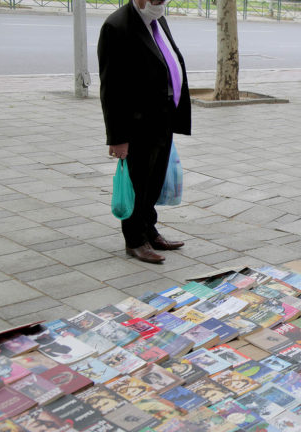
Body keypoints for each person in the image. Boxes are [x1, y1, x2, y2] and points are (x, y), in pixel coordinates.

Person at [97, 0, 191, 263]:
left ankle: (149, 230)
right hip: (137, 124)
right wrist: (117, 138)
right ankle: (135, 240)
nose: (160, 3)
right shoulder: (116, 26)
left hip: (162, 118)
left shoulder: (157, 18)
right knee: (138, 184)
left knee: (154, 182)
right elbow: (111, 88)